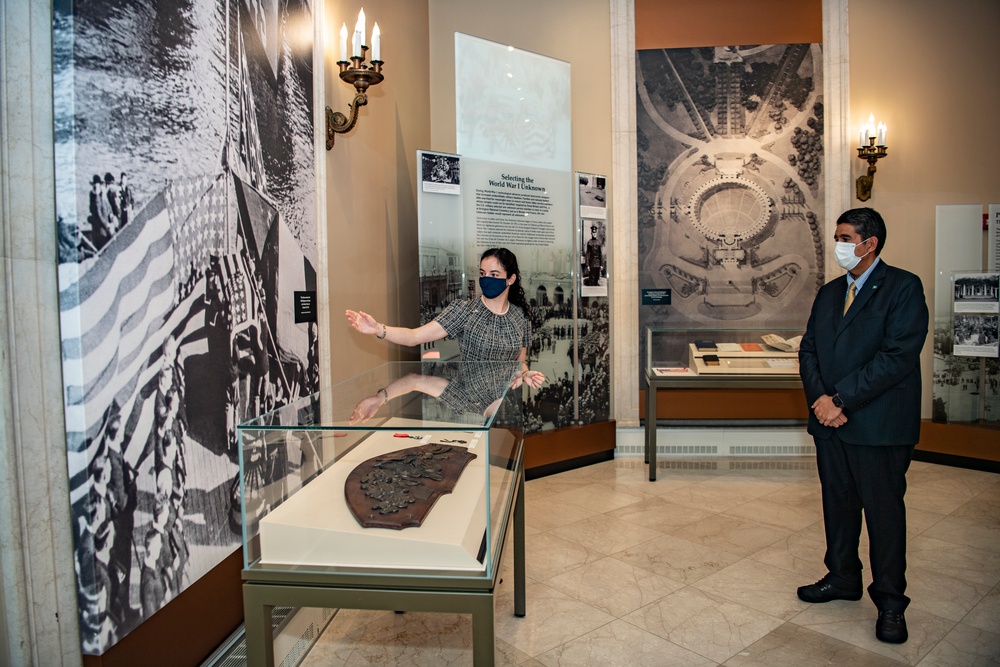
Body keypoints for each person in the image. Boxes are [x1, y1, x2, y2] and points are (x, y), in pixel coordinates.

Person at [797, 207, 928, 645]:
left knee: (884, 513)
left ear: (869, 243)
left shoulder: (904, 288)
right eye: (837, 237)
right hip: (829, 423)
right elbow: (809, 348)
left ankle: (891, 601)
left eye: (844, 237)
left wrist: (839, 399)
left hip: (877, 425)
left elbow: (897, 356)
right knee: (838, 505)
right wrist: (820, 401)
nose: (839, 245)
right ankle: (842, 578)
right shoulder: (831, 292)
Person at [346, 247, 546, 391]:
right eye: (483, 273)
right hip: (472, 401)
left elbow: (520, 363)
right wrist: (379, 329)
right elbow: (415, 336)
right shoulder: (465, 310)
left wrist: (525, 373)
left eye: (494, 274)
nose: (486, 279)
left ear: (510, 279)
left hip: (506, 406)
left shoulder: (520, 316)